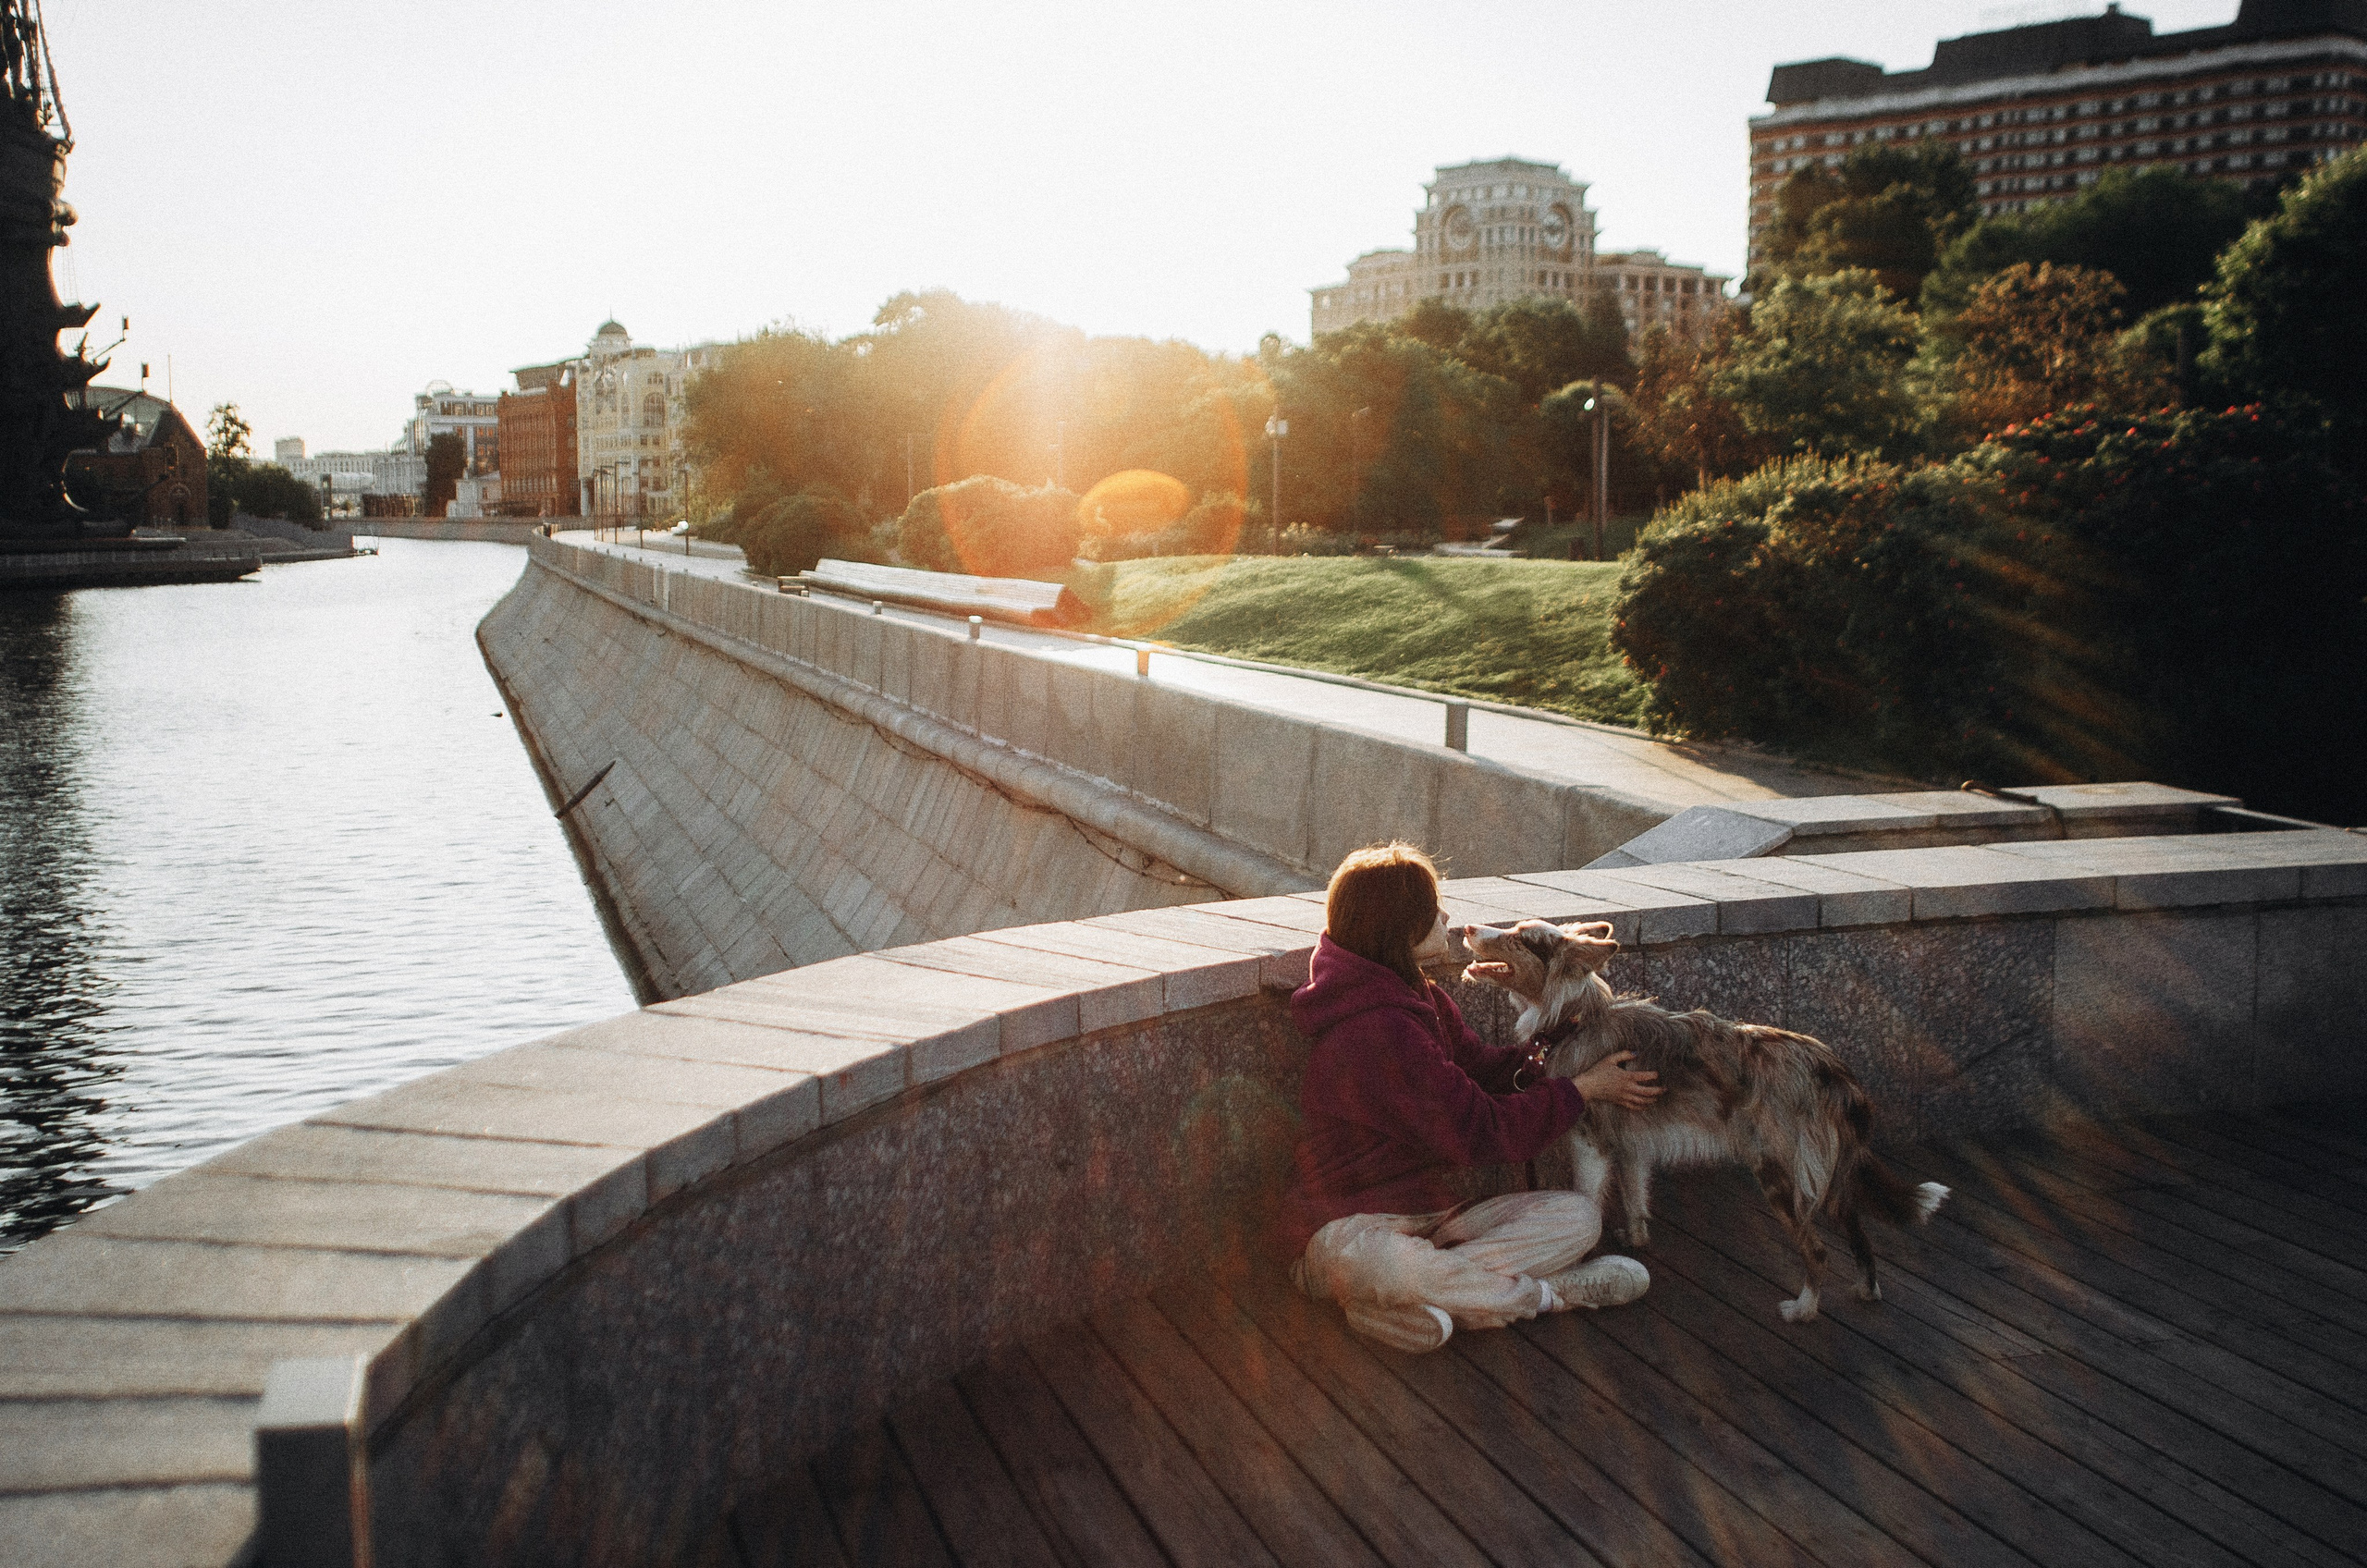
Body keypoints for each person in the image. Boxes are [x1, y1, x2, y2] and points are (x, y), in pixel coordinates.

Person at [1277, 842, 1665, 1354]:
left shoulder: (1419, 997)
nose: (1446, 917)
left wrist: (1562, 1050)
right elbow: (1479, 1130)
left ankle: (1408, 1307)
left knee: (1578, 1217)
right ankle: (1553, 1296)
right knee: (1389, 1267)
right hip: (1344, 1231)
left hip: (1433, 1222)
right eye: (1432, 910)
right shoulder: (1379, 1030)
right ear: (1399, 928)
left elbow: (1484, 1070)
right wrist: (1581, 1090)